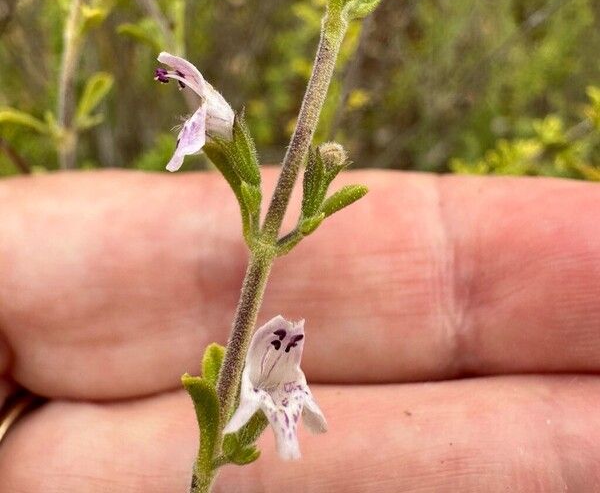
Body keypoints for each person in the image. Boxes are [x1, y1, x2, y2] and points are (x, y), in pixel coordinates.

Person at [0, 169, 598, 492]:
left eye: (290, 344)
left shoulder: (283, 377)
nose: (287, 344)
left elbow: (286, 392)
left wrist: (270, 401)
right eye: (281, 342)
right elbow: (258, 392)